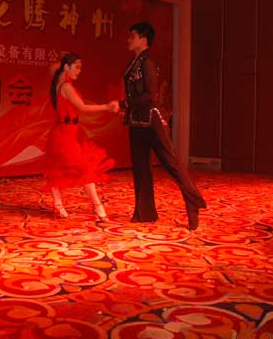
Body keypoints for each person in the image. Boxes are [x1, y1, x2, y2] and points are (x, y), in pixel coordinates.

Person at [117, 22, 206, 230]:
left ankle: (193, 201)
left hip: (151, 121)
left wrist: (124, 104)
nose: (129, 40)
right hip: (136, 121)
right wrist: (126, 108)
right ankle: (145, 212)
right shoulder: (133, 63)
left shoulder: (147, 63)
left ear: (143, 40)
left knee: (171, 163)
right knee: (140, 168)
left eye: (132, 36)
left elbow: (151, 96)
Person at [45, 52, 118, 219]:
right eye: (77, 67)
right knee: (84, 169)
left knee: (56, 168)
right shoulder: (66, 87)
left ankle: (58, 205)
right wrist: (106, 107)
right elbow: (83, 107)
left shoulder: (59, 83)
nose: (79, 71)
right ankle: (97, 206)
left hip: (63, 131)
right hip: (64, 134)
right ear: (66, 67)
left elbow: (53, 68)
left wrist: (65, 62)